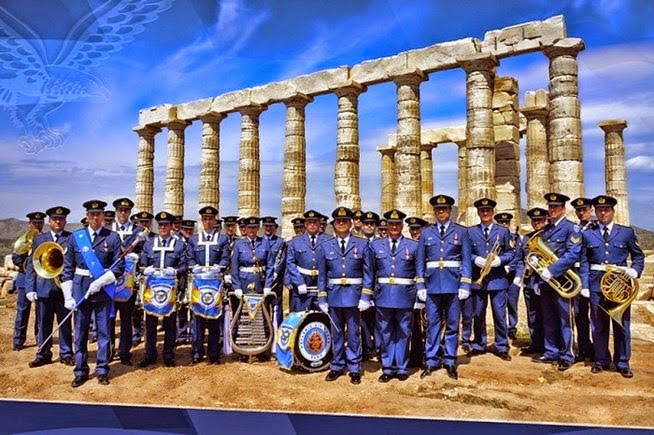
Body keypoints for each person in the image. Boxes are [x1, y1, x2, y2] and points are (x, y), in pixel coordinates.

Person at [61, 200, 124, 387]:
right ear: (87, 216)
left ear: (103, 216)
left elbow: (119, 267)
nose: (95, 217)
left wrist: (100, 282)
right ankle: (80, 370)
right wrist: (68, 295)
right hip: (81, 290)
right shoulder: (76, 237)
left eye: (98, 214)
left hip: (102, 291)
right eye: (92, 214)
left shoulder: (112, 237)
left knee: (104, 333)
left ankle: (102, 370)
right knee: (80, 333)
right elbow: (68, 267)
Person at [579, 195, 644, 378]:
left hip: (620, 288)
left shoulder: (626, 233)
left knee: (621, 326)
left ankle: (622, 362)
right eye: (599, 210)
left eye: (606, 210)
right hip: (596, 286)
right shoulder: (587, 234)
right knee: (598, 326)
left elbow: (638, 256)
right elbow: (584, 261)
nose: (603, 213)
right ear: (595, 212)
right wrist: (585, 284)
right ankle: (601, 360)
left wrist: (635, 270)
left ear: (613, 211)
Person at [415, 194, 471, 381]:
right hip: (432, 285)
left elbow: (466, 259)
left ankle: (449, 360)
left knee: (453, 325)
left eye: (444, 209)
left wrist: (465, 283)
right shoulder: (426, 232)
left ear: (449, 211)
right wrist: (420, 284)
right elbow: (420, 260)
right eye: (438, 209)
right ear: (434, 211)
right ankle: (431, 360)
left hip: (453, 284)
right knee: (432, 325)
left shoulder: (461, 231)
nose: (441, 212)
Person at [317, 206, 374, 385]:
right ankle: (337, 365)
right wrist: (322, 298)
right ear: (334, 224)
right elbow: (322, 275)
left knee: (354, 333)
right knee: (337, 332)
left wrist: (366, 296)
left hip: (354, 295)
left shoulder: (362, 244)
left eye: (344, 221)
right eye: (338, 221)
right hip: (334, 295)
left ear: (350, 223)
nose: (341, 224)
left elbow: (368, 273)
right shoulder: (325, 246)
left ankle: (354, 367)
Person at [530, 193, 582, 371]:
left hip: (563, 280)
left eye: (556, 207)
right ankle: (551, 351)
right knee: (549, 317)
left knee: (565, 318)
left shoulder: (572, 229)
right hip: (546, 282)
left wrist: (551, 270)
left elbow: (572, 254)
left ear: (563, 209)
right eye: (550, 207)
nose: (552, 210)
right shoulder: (546, 230)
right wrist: (536, 262)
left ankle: (567, 354)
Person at [370, 209, 418, 382]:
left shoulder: (413, 246)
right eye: (391, 224)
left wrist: (419, 294)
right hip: (383, 295)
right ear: (387, 225)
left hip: (405, 295)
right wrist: (369, 294)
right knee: (385, 332)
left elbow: (419, 271)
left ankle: (402, 367)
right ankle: (388, 368)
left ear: (402, 225)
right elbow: (371, 272)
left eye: (397, 224)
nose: (394, 227)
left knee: (404, 332)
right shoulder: (376, 245)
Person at [24, 206, 74, 368]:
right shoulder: (40, 240)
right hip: (44, 288)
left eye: (61, 219)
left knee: (65, 323)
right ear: (49, 221)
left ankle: (66, 353)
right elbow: (32, 265)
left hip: (63, 289)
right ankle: (43, 354)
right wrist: (30, 288)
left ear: (65, 221)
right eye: (54, 219)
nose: (58, 221)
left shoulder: (71, 238)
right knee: (43, 323)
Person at [138, 211, 188, 368]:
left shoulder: (179, 245)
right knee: (150, 323)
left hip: (170, 289)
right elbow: (142, 265)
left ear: (171, 226)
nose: (163, 227)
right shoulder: (149, 244)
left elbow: (184, 266)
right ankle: (149, 354)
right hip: (152, 289)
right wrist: (145, 270)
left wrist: (175, 271)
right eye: (160, 225)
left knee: (170, 323)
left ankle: (168, 354)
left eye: (166, 225)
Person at [468, 199, 515, 361]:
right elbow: (466, 253)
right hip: (478, 279)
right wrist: (475, 259)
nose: (485, 213)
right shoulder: (471, 232)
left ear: (492, 212)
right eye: (482, 210)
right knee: (478, 315)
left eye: (488, 210)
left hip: (497, 279)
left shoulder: (503, 231)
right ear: (478, 213)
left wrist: (500, 260)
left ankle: (501, 346)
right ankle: (479, 344)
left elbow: (511, 253)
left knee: (500, 315)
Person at [186, 206, 230, 364]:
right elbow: (190, 258)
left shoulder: (222, 239)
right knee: (197, 318)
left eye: (210, 219)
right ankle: (197, 352)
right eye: (205, 219)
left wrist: (219, 267)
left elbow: (225, 257)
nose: (208, 222)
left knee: (214, 318)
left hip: (214, 283)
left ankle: (213, 353)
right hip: (199, 283)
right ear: (202, 220)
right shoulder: (194, 239)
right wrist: (195, 267)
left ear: (214, 220)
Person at [108, 197, 143, 366]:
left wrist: (137, 257)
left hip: (128, 283)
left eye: (126, 210)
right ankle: (107, 351)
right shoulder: (107, 230)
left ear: (130, 212)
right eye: (120, 210)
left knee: (126, 319)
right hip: (109, 282)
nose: (123, 213)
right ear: (116, 211)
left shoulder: (138, 231)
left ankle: (124, 352)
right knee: (108, 318)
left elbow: (145, 253)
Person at [514, 207, 548, 355]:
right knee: (532, 314)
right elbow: (521, 259)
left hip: (546, 281)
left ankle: (550, 345)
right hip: (530, 281)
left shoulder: (549, 236)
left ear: (545, 220)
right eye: (534, 220)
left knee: (548, 314)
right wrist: (519, 275)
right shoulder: (527, 238)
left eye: (540, 220)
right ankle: (536, 343)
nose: (537, 223)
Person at [285, 210, 331, 312]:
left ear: (319, 223)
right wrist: (299, 282)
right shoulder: (296, 241)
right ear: (305, 224)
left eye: (315, 222)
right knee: (301, 317)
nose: (312, 225)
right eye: (310, 222)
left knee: (323, 318)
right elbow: (290, 263)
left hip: (322, 286)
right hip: (303, 285)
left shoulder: (329, 240)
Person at [12, 211, 45, 351]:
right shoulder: (22, 240)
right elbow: (16, 259)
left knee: (41, 312)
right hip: (24, 278)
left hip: (41, 279)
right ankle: (18, 340)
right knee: (22, 311)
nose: (37, 225)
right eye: (35, 222)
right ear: (29, 224)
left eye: (40, 222)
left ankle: (40, 339)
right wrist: (28, 260)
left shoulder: (45, 239)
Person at [571, 197, 595, 362]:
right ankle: (584, 348)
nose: (581, 213)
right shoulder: (574, 230)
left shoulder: (597, 228)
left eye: (584, 209)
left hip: (594, 276)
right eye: (578, 210)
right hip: (577, 276)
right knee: (580, 315)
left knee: (597, 317)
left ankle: (599, 350)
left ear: (591, 210)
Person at [405, 216, 429, 368]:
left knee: (429, 324)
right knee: (414, 325)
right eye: (412, 229)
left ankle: (430, 355)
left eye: (417, 229)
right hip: (412, 291)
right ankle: (416, 356)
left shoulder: (428, 246)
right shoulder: (409, 246)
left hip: (428, 289)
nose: (415, 232)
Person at [495, 212, 522, 341]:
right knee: (499, 305)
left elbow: (518, 256)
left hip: (511, 274)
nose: (504, 225)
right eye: (501, 223)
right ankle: (501, 329)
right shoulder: (494, 237)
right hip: (498, 274)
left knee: (512, 303)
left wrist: (510, 268)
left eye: (506, 223)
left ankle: (512, 328)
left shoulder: (515, 238)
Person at [176, 219, 196, 345]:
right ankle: (181, 334)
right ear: (181, 229)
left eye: (190, 230)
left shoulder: (195, 241)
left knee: (193, 306)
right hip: (181, 278)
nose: (188, 232)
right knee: (181, 307)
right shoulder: (176, 242)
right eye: (186, 229)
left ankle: (193, 334)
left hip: (193, 277)